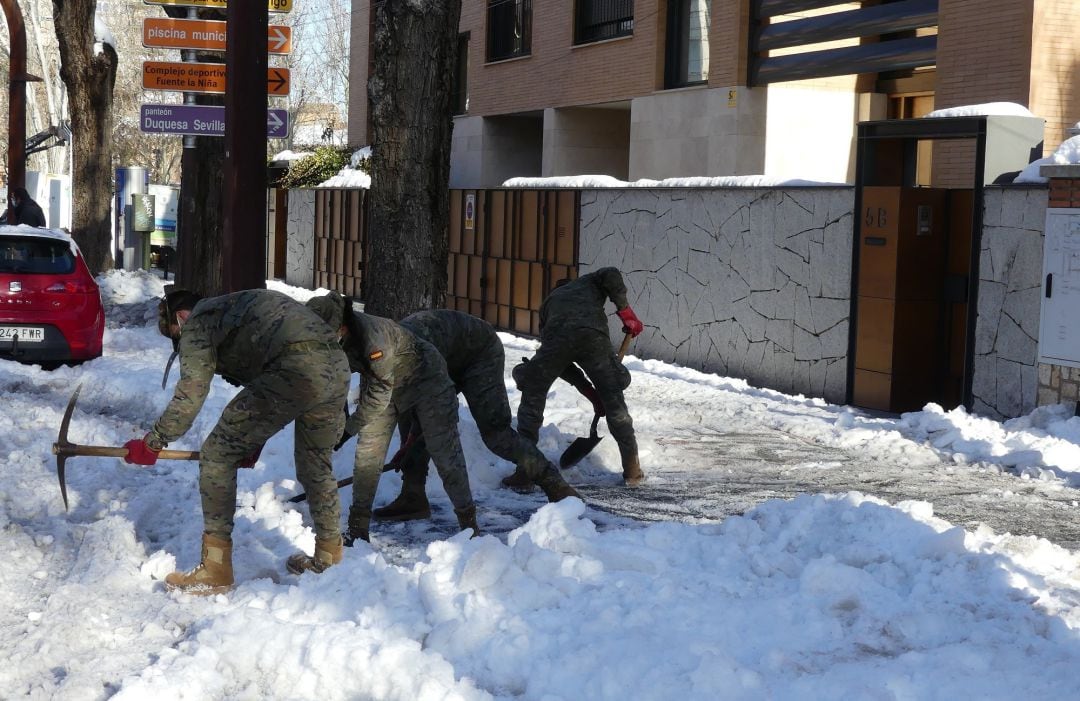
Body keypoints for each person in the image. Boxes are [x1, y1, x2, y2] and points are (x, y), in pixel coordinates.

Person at [124, 288, 351, 594]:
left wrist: (153, 441)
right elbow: (266, 376)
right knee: (315, 464)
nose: (180, 341)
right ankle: (329, 558)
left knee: (216, 455)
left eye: (176, 335)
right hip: (336, 365)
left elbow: (191, 394)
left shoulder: (199, 323)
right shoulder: (233, 308)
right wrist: (251, 440)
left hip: (295, 367)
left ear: (181, 317)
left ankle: (215, 570)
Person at [371, 309, 580, 522]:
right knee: (409, 417)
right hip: (445, 354)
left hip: (479, 352)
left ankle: (557, 486)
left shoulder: (412, 353)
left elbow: (439, 404)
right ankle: (412, 497)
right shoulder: (377, 353)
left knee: (496, 433)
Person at [305, 292, 478, 545]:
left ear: (343, 326)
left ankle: (470, 527)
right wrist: (337, 420)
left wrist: (348, 430)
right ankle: (357, 530)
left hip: (426, 382)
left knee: (445, 454)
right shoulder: (324, 337)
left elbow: (377, 399)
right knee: (367, 456)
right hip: (383, 383)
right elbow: (333, 379)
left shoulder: (374, 340)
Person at [509, 267, 646, 486]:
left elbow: (558, 364)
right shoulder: (589, 281)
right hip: (593, 340)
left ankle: (524, 473)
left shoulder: (548, 304)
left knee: (532, 394)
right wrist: (625, 312)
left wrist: (590, 392)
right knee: (615, 402)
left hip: (557, 342)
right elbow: (611, 273)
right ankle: (632, 471)